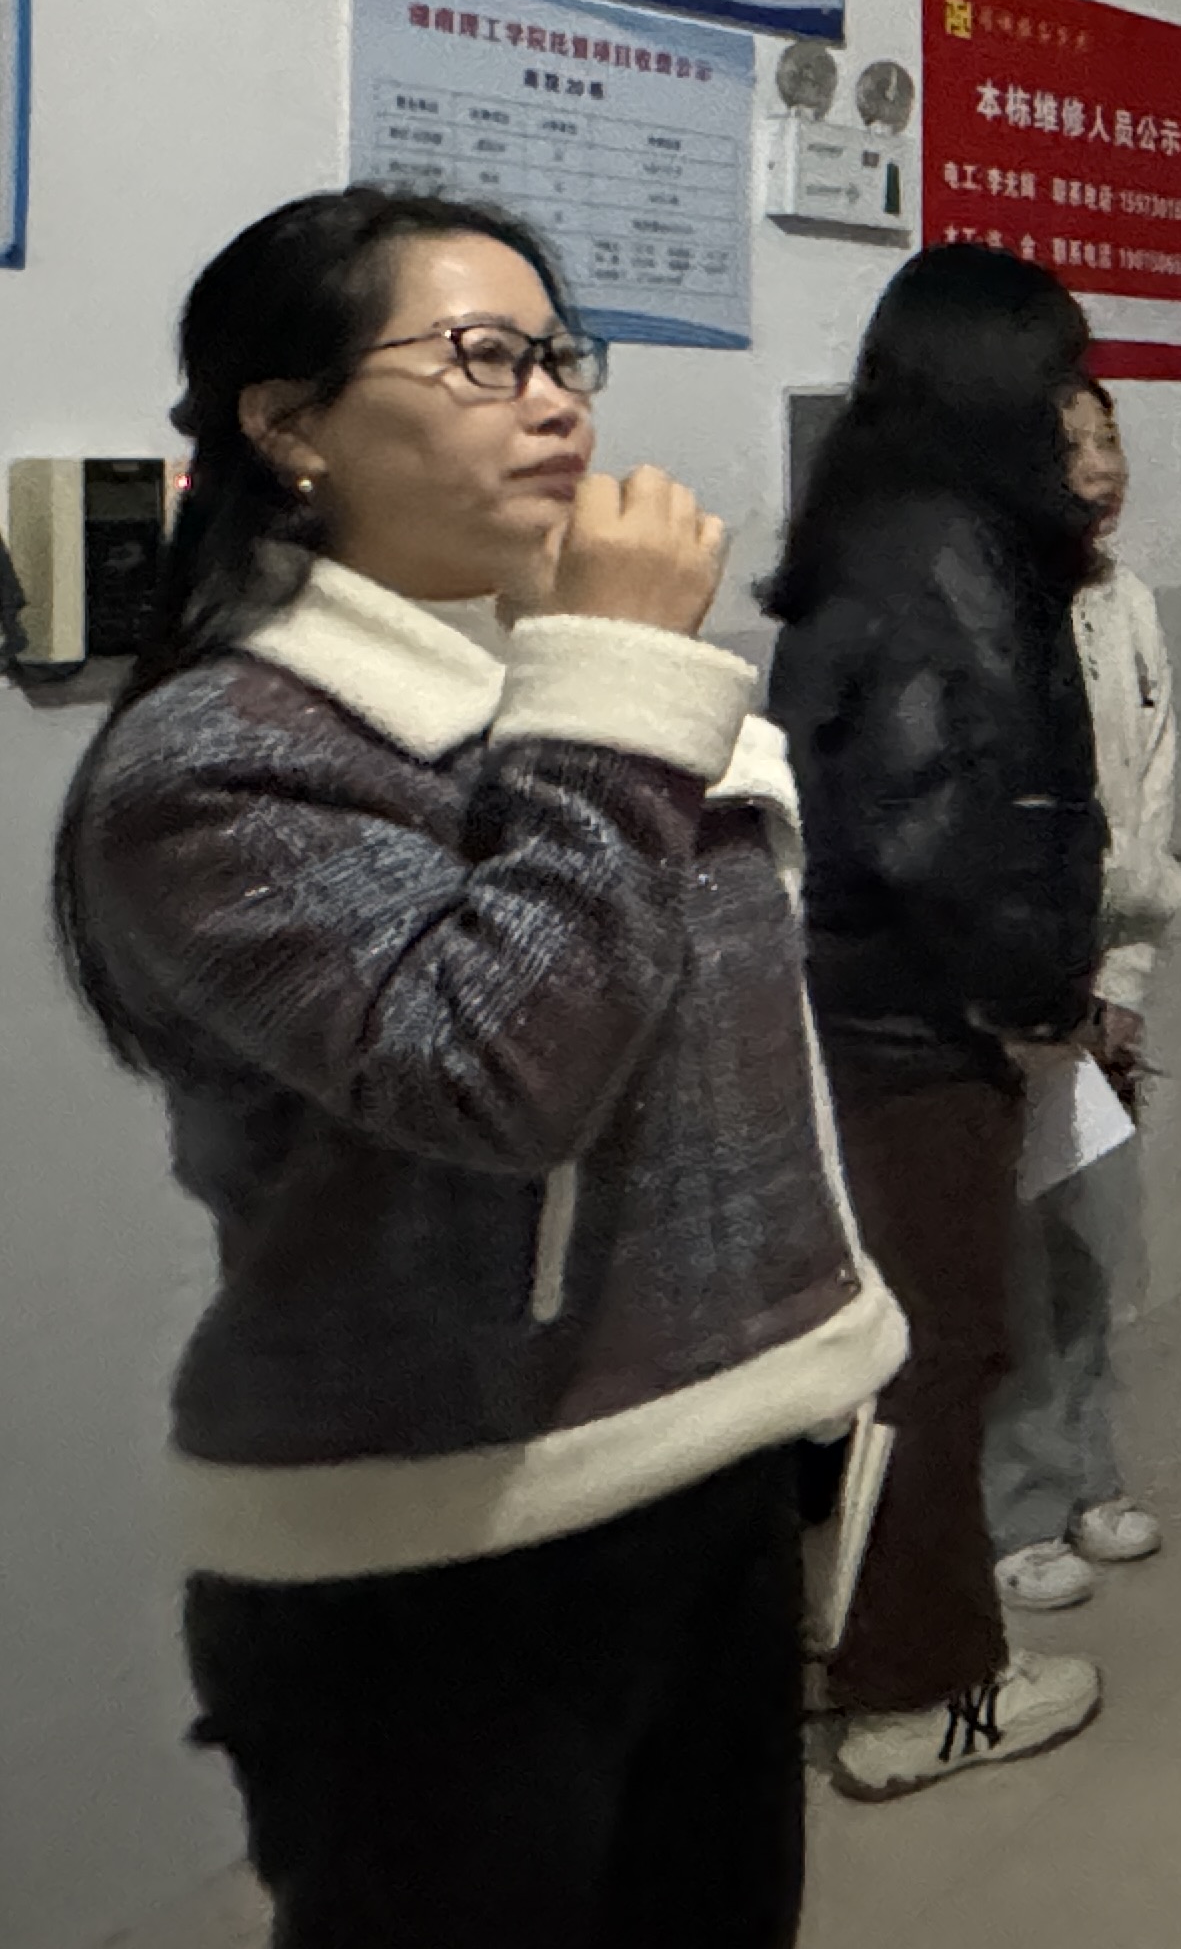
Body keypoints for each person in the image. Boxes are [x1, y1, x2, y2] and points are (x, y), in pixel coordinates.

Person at [54, 187, 899, 1948]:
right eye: (482, 356)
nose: (556, 401)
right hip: (435, 1535)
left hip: (704, 1468)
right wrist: (621, 675)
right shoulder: (220, 755)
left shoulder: (561, 679)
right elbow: (505, 1071)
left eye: (560, 355)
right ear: (289, 424)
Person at [766, 244, 1111, 1796]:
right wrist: (1040, 998)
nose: (1073, 409)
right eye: (1058, 376)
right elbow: (947, 819)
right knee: (935, 1349)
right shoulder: (950, 554)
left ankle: (851, 1645)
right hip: (918, 1026)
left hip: (861, 1006)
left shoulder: (873, 526)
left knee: (882, 1346)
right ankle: (922, 1691)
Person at [987, 376, 1181, 1613]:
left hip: (1099, 973)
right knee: (1008, 1261)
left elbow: (1150, 797)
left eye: (1109, 440)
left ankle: (1088, 1478)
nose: (1101, 469)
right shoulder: (994, 611)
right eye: (1070, 447)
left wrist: (1125, 975)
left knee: (1088, 1245)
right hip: (1011, 989)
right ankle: (1014, 1508)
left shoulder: (1130, 603)